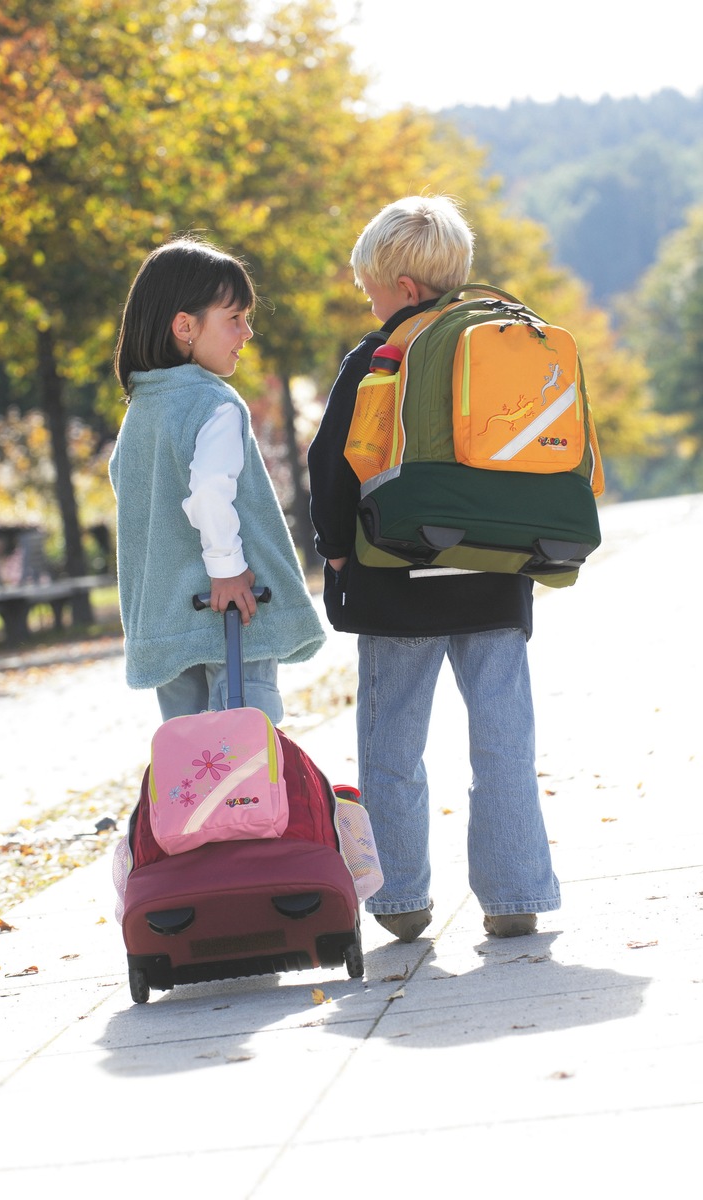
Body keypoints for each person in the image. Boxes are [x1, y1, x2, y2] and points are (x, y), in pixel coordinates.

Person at [308, 196, 560, 942]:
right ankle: (514, 895)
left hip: (397, 583)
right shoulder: (507, 339)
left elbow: (332, 466)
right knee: (505, 742)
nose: (371, 304)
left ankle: (401, 900)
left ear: (405, 290)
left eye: (372, 291)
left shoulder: (379, 357)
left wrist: (335, 547)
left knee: (392, 747)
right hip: (492, 572)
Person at [110, 236, 325, 724]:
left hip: (166, 617)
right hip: (232, 611)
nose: (247, 333)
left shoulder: (141, 412)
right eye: (234, 319)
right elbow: (209, 491)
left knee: (188, 761)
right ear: (184, 326)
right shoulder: (214, 404)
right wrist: (226, 567)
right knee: (246, 756)